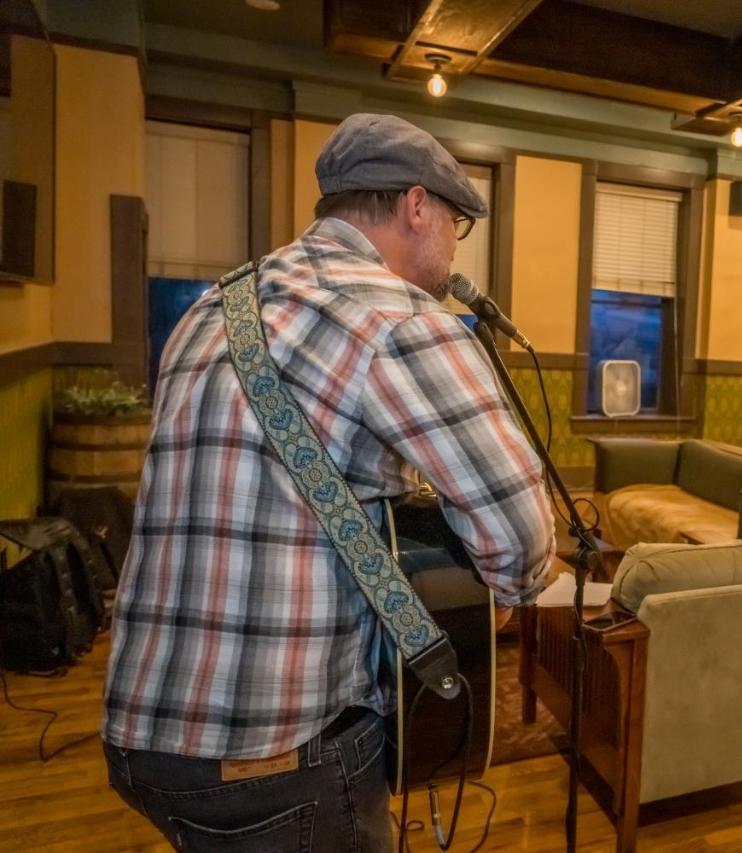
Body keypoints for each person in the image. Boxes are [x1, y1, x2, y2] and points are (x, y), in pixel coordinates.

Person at [101, 114, 555, 851]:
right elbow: (520, 539)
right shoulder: (401, 317)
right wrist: (517, 583)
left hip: (141, 736)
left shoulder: (214, 305)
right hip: (273, 751)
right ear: (417, 206)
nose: (451, 247)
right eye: (455, 223)